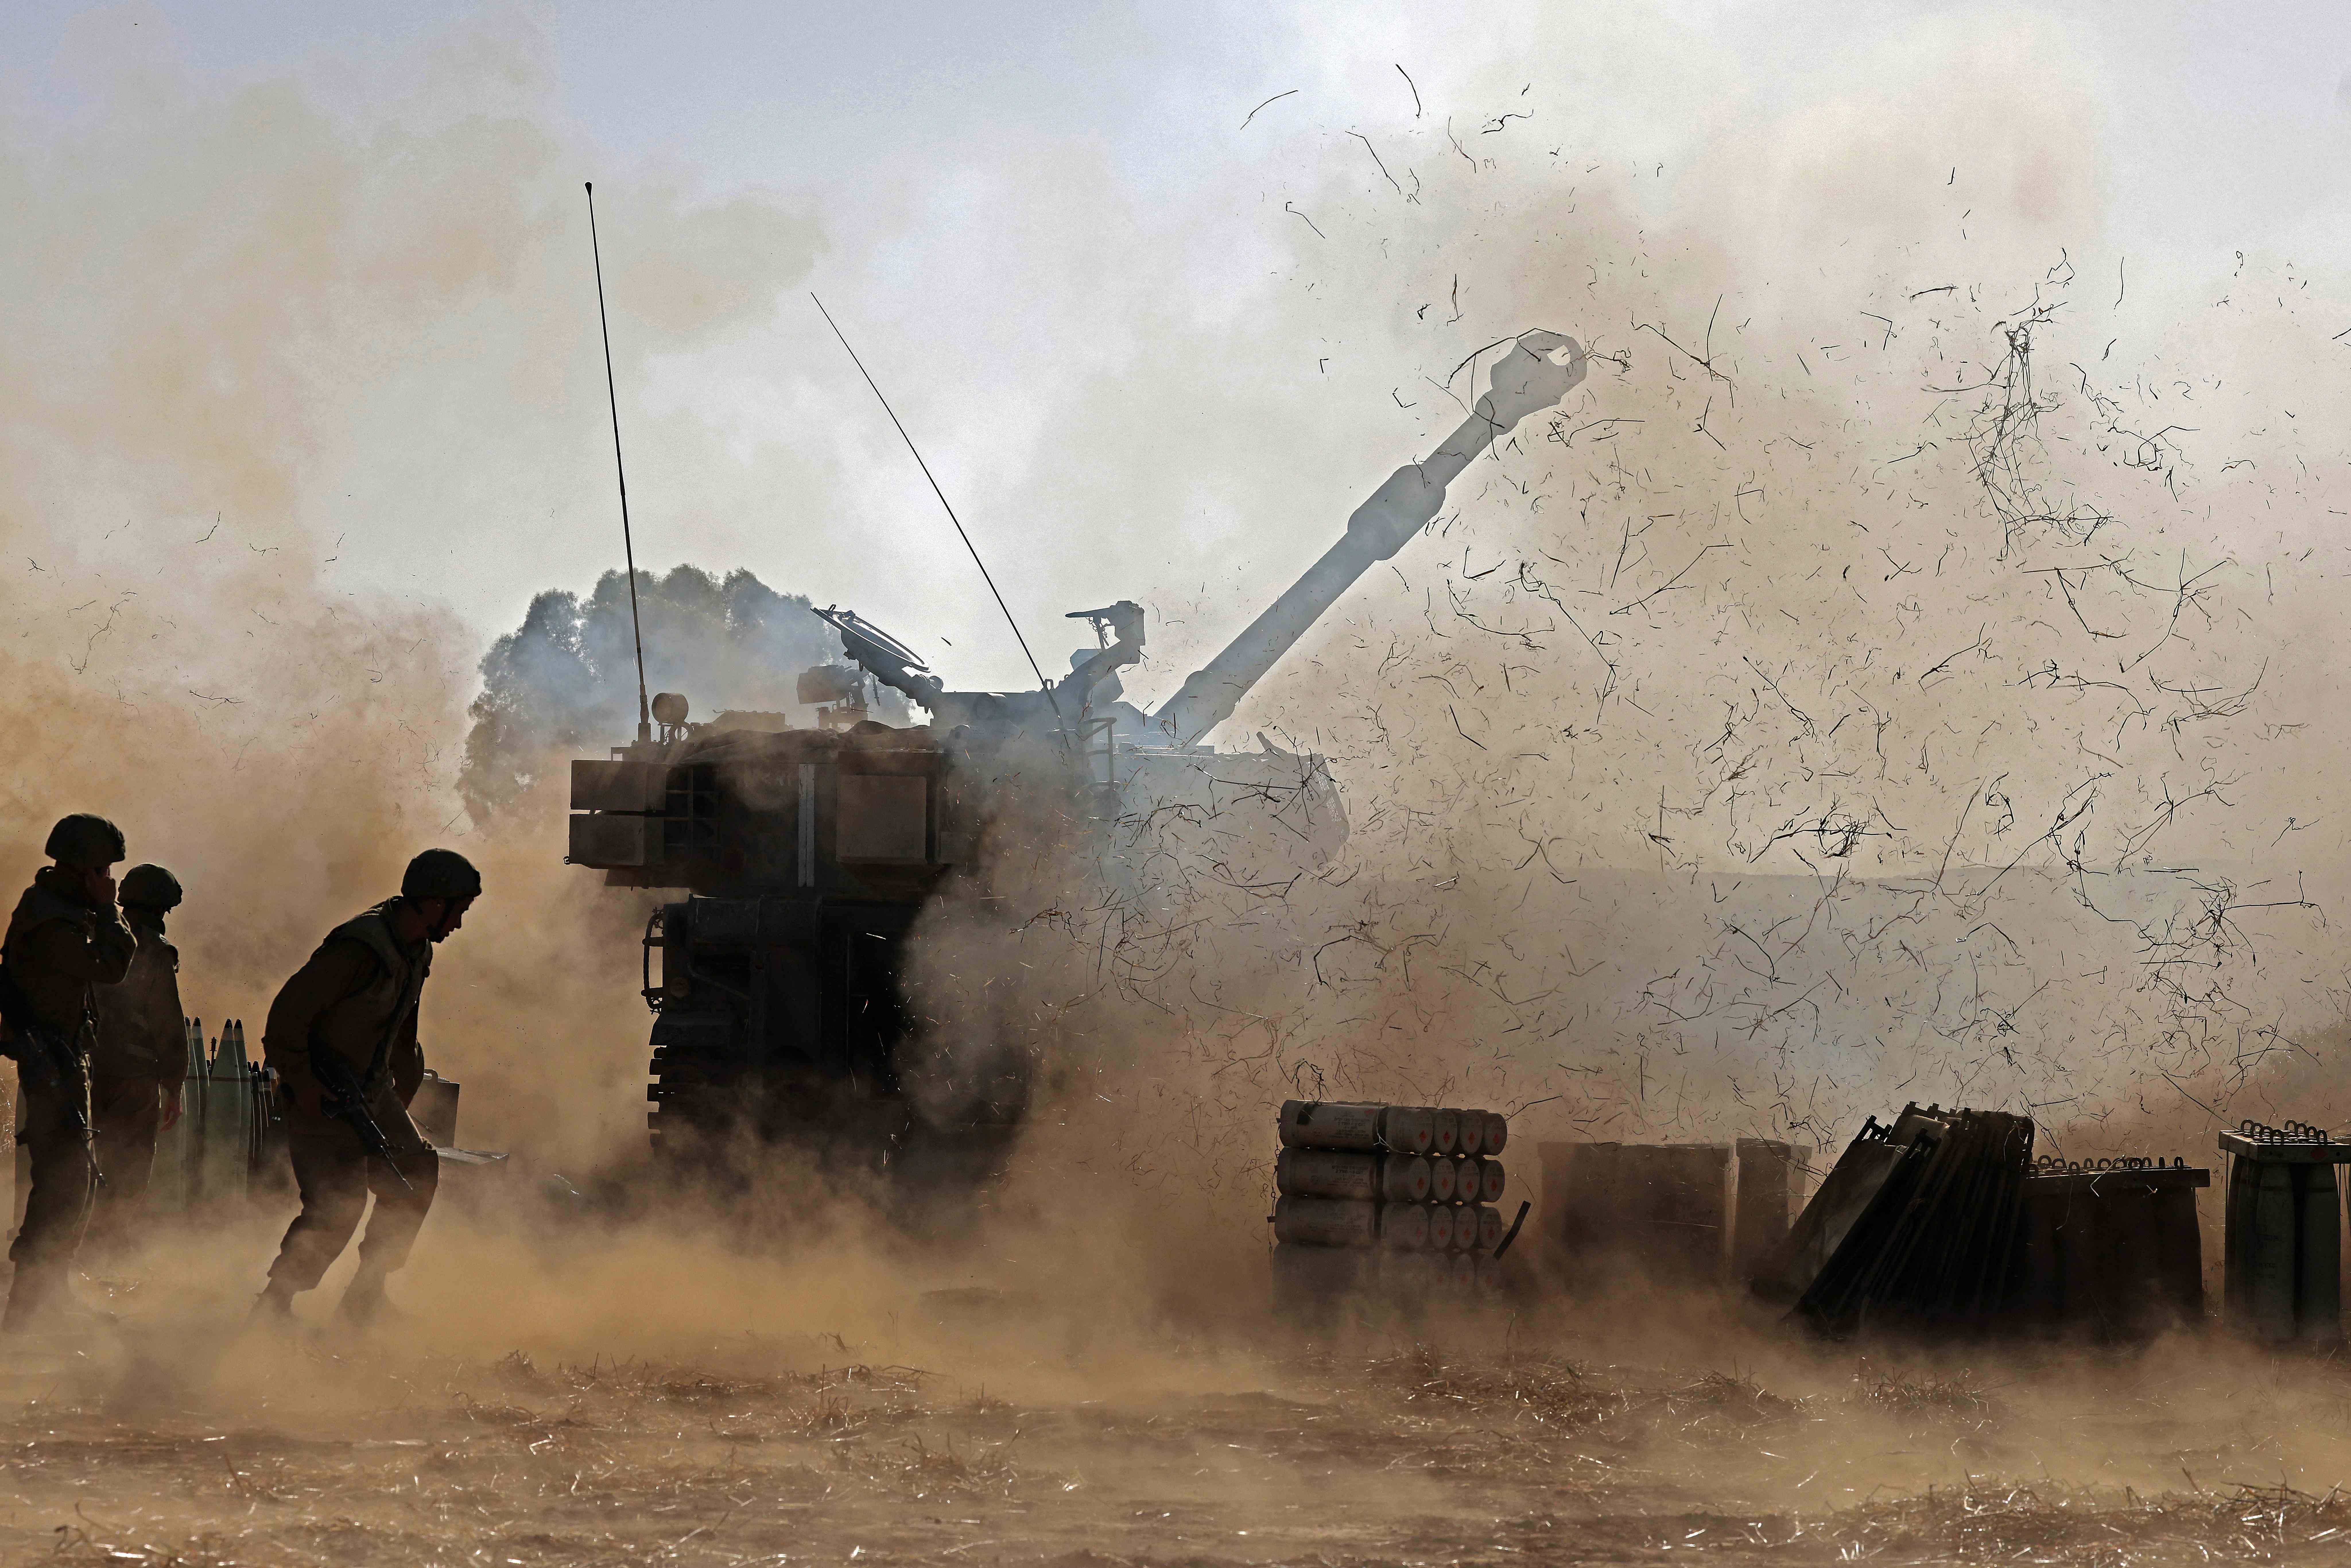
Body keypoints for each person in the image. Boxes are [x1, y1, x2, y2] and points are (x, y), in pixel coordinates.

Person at [251, 849, 478, 1329]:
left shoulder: (417, 951)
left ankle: (365, 1297)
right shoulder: (359, 949)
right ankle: (274, 1305)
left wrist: (398, 1105)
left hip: (372, 1094)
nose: (459, 923)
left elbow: (402, 1038)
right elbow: (286, 1019)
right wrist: (305, 1084)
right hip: (321, 1096)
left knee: (416, 1172)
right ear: (433, 903)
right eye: (457, 911)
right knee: (337, 1208)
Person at [0, 814, 137, 1330]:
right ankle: (30, 1307)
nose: (109, 879)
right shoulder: (54, 920)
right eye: (103, 870)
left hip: (61, 1058)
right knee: (62, 1184)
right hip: (51, 1064)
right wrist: (109, 910)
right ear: (85, 869)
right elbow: (112, 967)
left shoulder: (53, 907)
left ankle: (45, 1296)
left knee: (70, 1182)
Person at [86, 864, 188, 1263]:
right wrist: (174, 1087)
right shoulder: (155, 952)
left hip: (82, 1071)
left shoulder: (93, 935)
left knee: (79, 1161)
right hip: (134, 1082)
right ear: (161, 908)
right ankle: (106, 1247)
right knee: (129, 1167)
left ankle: (71, 1246)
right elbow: (169, 1026)